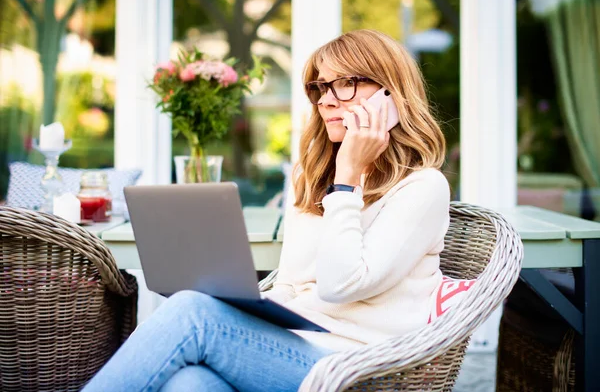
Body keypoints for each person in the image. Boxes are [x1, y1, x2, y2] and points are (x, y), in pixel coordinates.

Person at [83, 29, 449, 392]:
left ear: (390, 92)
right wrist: (245, 307)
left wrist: (347, 180)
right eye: (321, 87)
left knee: (192, 315)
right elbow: (291, 283)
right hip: (294, 346)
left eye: (347, 83)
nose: (327, 100)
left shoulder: (422, 187)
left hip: (361, 368)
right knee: (190, 382)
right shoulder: (312, 176)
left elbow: (342, 285)